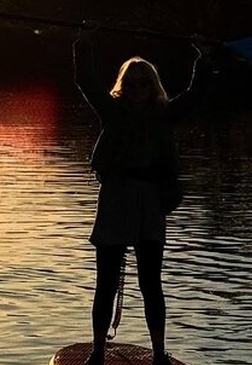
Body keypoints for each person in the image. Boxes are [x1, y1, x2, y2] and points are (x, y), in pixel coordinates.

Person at [73, 25, 213, 365]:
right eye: (131, 83)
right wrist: (84, 44)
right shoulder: (112, 110)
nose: (137, 88)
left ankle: (160, 353)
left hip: (151, 202)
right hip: (116, 199)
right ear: (123, 86)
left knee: (151, 283)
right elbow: (86, 81)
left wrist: (204, 58)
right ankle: (97, 352)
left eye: (143, 82)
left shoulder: (165, 114)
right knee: (105, 283)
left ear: (153, 85)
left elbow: (196, 94)